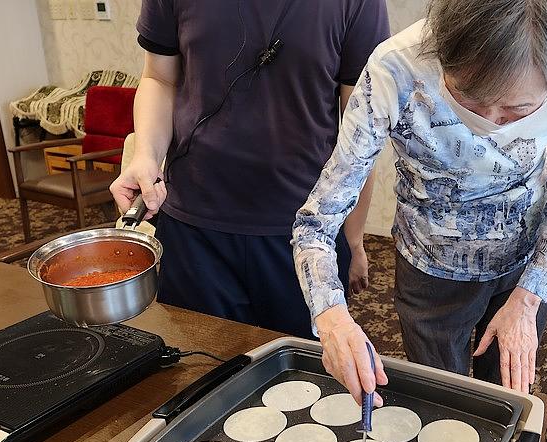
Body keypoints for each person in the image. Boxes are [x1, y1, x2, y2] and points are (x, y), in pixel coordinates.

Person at [293, 0, 547, 405]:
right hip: (430, 270)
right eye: (469, 100)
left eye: (518, 110)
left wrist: (528, 298)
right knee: (442, 406)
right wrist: (330, 316)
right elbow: (316, 224)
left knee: (505, 400)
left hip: (528, 264)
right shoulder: (396, 68)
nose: (491, 120)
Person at [111, 0, 389, 339]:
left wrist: (354, 239)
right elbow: (159, 77)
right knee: (200, 372)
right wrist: (146, 156)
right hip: (193, 228)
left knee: (299, 380)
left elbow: (361, 133)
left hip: (305, 230)